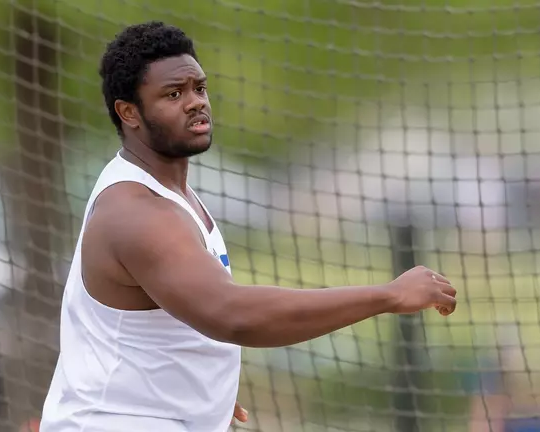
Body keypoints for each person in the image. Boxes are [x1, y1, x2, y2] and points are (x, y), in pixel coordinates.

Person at [38, 21, 457, 432]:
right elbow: (231, 313)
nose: (195, 102)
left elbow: (163, 315)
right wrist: (389, 295)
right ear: (129, 112)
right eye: (173, 94)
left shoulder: (172, 193)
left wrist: (200, 386)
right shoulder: (137, 211)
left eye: (198, 88)